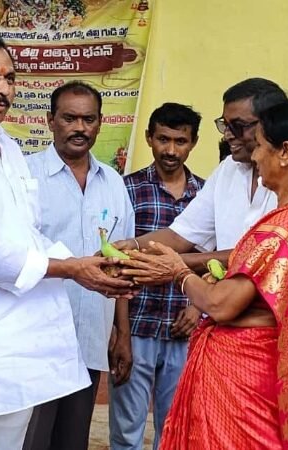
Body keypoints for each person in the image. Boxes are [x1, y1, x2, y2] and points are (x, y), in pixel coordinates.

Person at [112, 78, 288, 450]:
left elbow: (243, 274)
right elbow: (184, 234)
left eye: (241, 128)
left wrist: (176, 271)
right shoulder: (237, 175)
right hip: (257, 373)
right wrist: (130, 250)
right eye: (224, 126)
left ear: (280, 143)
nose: (230, 138)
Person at [0, 34, 134, 450]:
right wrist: (72, 270)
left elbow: (28, 233)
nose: (3, 89)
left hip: (20, 347)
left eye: (9, 78)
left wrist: (89, 267)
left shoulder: (7, 146)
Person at [23, 81, 135, 450]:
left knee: (72, 441)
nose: (79, 128)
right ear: (50, 120)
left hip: (90, 339)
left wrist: (122, 334)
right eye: (69, 118)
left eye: (88, 119)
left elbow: (122, 266)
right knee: (31, 440)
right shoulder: (26, 177)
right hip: (36, 342)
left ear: (100, 123)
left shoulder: (113, 183)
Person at [108, 102, 205, 450]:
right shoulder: (127, 189)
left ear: (193, 143)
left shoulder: (206, 194)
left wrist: (197, 308)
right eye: (163, 139)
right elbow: (117, 264)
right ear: (149, 138)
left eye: (181, 141)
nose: (171, 150)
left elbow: (215, 261)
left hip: (186, 330)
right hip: (137, 326)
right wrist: (121, 334)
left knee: (176, 431)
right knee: (126, 433)